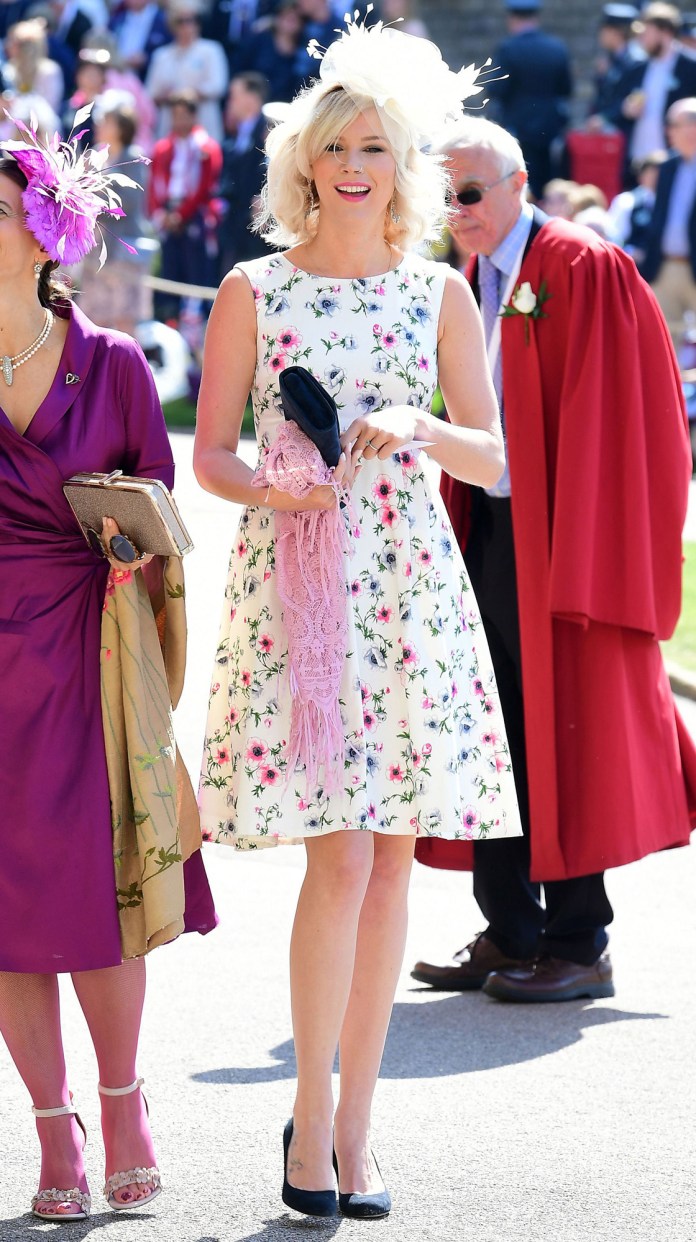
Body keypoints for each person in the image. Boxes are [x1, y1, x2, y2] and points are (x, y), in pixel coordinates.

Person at [194, 14, 522, 1219]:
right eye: (336, 143)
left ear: (403, 168)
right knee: (337, 859)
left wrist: (421, 427)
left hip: (409, 592)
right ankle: (312, 1122)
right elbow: (212, 454)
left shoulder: (439, 290)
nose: (353, 163)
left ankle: (359, 1131)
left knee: (392, 864)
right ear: (304, 161)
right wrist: (273, 485)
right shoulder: (252, 287)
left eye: (376, 146)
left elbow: (495, 461)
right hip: (302, 589)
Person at [411, 115, 696, 1003]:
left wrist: (583, 552)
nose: (458, 211)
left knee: (563, 726)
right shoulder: (474, 275)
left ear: (518, 184)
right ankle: (509, 929)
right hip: (491, 531)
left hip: (557, 541)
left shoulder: (581, 265)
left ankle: (578, 938)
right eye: (445, 196)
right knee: (488, 729)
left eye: (470, 193)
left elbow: (625, 422)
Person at [0, 109, 216, 1221]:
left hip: (86, 655)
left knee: (96, 898)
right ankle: (53, 1131)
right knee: (5, 915)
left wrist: (132, 542)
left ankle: (125, 1102)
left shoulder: (116, 364)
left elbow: (159, 498)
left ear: (43, 234)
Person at [78, 95, 156, 334]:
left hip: (124, 251)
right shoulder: (92, 158)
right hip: (95, 252)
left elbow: (130, 200)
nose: (100, 125)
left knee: (125, 319)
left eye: (107, 121)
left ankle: (129, 371)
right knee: (95, 319)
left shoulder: (134, 157)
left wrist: (93, 201)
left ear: (122, 127)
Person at [148, 88, 223, 324]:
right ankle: (169, 318)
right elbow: (154, 183)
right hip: (168, 214)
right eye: (175, 115)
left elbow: (205, 187)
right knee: (169, 268)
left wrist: (181, 215)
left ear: (193, 116)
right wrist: (162, 213)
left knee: (196, 270)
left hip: (194, 215)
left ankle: (194, 321)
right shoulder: (162, 148)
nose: (179, 120)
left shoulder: (206, 148)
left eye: (184, 115)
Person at [485, 0, 572, 200]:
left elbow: (496, 89)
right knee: (546, 183)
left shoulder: (508, 48)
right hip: (550, 129)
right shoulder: (556, 48)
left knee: (519, 182)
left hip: (517, 128)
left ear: (512, 18)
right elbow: (566, 89)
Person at [609, 2, 696, 171]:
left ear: (665, 32)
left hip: (675, 158)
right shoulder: (637, 68)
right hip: (638, 161)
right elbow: (616, 105)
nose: (641, 39)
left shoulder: (690, 67)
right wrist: (626, 109)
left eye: (646, 33)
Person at [639, 96, 696, 344]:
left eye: (674, 124)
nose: (668, 131)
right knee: (663, 345)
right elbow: (658, 217)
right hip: (666, 267)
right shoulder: (667, 167)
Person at [145, 0, 229, 143]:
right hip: (169, 130)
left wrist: (184, 95)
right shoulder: (162, 55)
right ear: (172, 24)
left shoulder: (212, 50)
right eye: (181, 21)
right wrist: (167, 96)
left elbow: (218, 86)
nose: (187, 26)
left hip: (203, 128)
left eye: (192, 20)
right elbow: (150, 92)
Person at [218, 71, 271, 275]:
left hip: (257, 227)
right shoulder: (238, 133)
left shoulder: (269, 130)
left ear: (252, 97)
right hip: (236, 225)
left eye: (235, 96)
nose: (230, 102)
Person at [587, 3, 645, 128]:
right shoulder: (611, 58)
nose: (601, 35)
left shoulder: (637, 60)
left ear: (616, 32)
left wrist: (605, 118)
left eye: (604, 29)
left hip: (625, 133)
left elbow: (630, 101)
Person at [109, 0, 172, 81]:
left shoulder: (163, 21)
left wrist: (146, 59)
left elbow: (170, 51)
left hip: (148, 79)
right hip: (117, 77)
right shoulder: (116, 20)